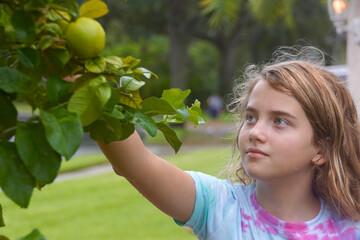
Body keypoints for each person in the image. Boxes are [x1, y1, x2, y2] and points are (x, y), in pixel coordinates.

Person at [97, 47, 360, 239]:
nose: (255, 132)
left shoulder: (351, 229)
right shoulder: (218, 206)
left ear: (321, 148)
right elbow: (135, 163)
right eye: (250, 117)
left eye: (280, 121)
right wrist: (89, 85)